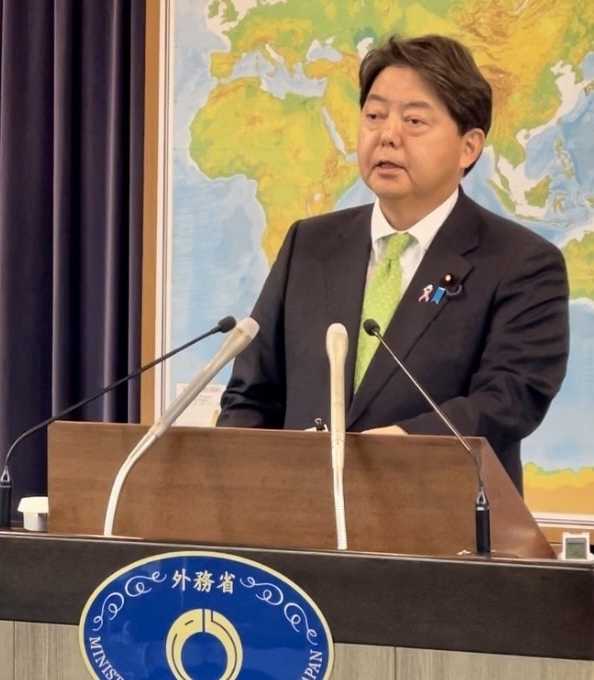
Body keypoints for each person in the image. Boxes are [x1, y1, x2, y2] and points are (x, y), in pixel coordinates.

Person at [216, 34, 570, 493]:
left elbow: (509, 400)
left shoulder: (522, 263)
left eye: (415, 120)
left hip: (441, 527)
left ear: (469, 147)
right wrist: (240, 487)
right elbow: (252, 392)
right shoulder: (311, 243)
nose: (387, 135)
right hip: (297, 523)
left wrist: (400, 446)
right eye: (375, 115)